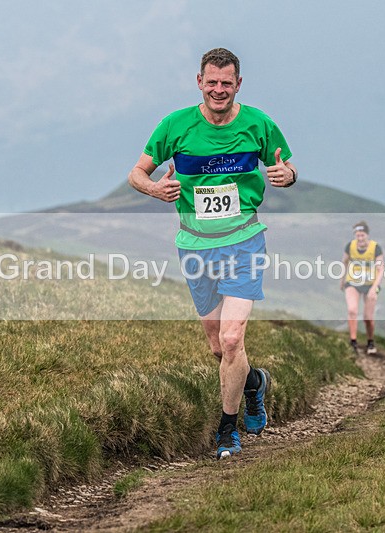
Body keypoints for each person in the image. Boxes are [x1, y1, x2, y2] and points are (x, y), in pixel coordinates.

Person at [128, 48, 297, 459]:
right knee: (220, 349)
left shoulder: (259, 123)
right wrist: (155, 188)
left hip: (244, 239)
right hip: (195, 244)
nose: (218, 89)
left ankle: (226, 430)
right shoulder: (175, 125)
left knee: (233, 336)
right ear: (199, 81)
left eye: (227, 83)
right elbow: (137, 172)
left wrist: (285, 176)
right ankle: (255, 382)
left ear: (238, 84)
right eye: (212, 82)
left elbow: (288, 168)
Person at [340, 221, 384, 357]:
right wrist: (342, 279)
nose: (360, 238)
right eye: (357, 235)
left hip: (371, 284)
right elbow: (345, 262)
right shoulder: (350, 246)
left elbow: (380, 268)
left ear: (367, 235)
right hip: (352, 282)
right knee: (352, 310)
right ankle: (353, 341)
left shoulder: (375, 248)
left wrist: (374, 288)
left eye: (362, 235)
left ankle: (370, 341)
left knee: (368, 317)